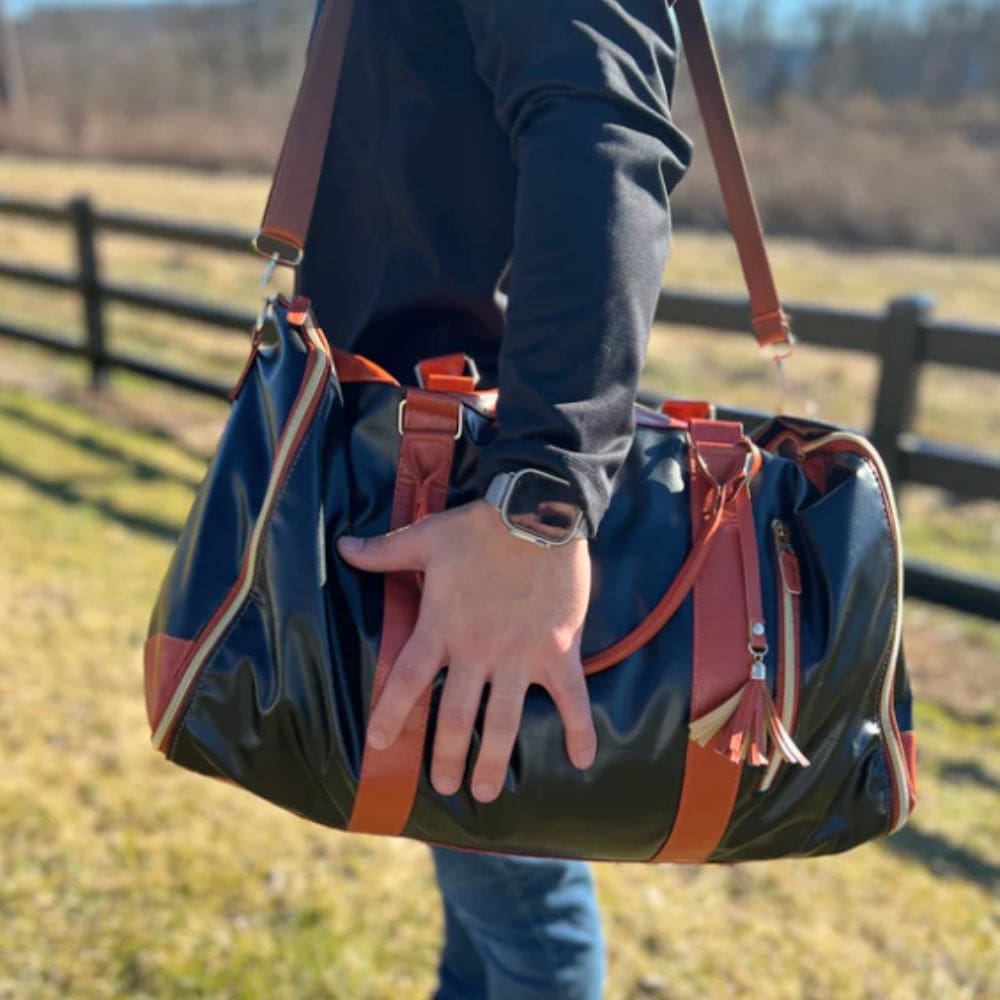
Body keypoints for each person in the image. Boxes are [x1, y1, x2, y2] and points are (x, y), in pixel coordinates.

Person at [300, 1, 692, 996]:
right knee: (479, 855)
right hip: (412, 468)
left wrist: (540, 497)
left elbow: (602, 128)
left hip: (473, 498)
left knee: (526, 909)